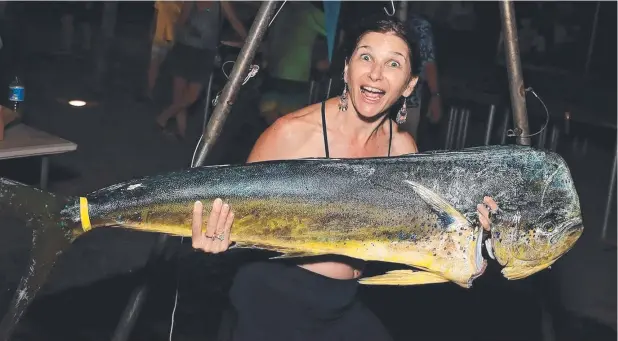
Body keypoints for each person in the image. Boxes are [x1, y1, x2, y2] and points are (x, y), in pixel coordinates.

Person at [190, 17, 497, 340]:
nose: (376, 73)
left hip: (344, 303)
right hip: (275, 298)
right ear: (347, 68)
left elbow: (413, 239)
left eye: (393, 63)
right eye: (366, 57)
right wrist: (216, 238)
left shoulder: (403, 149)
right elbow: (236, 220)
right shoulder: (291, 135)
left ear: (409, 84)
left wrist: (475, 247)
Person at [155, 1, 247, 140]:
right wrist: (188, 30)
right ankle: (181, 133)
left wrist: (249, 41)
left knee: (192, 96)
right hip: (184, 48)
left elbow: (234, 21)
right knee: (179, 95)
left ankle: (163, 117)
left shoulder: (221, 2)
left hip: (204, 53)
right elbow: (180, 23)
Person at [259, 1, 327, 125]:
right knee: (289, 125)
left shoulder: (278, 9)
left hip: (271, 74)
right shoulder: (309, 12)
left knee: (269, 126)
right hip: (295, 79)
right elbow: (335, 31)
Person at [401, 12, 443, 139]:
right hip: (406, 105)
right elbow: (429, 63)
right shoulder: (420, 25)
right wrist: (435, 96)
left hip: (404, 103)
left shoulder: (418, 24)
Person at [145, 1, 182, 100]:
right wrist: (151, 31)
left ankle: (164, 95)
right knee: (154, 66)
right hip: (159, 36)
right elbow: (155, 15)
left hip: (172, 39)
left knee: (167, 69)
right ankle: (150, 92)